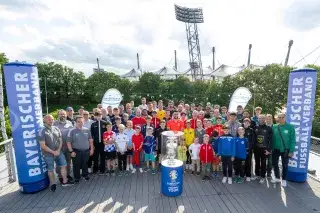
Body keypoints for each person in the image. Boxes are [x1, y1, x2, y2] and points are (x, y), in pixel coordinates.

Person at [39, 115, 74, 192]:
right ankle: (53, 184)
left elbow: (60, 140)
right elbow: (43, 145)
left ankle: (65, 181)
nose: (50, 121)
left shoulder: (56, 128)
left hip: (58, 152)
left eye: (51, 119)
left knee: (64, 165)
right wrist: (53, 152)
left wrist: (58, 150)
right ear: (44, 120)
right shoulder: (42, 131)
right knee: (50, 169)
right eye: (48, 119)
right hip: (48, 154)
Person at [271, 113, 296, 187]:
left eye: (282, 117)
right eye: (279, 117)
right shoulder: (274, 126)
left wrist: (291, 151)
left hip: (285, 149)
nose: (281, 118)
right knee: (274, 163)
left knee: (285, 165)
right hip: (275, 149)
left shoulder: (290, 127)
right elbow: (272, 138)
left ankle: (284, 179)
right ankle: (277, 177)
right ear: (277, 118)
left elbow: (293, 140)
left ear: (285, 118)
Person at [67, 116, 94, 183]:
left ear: (83, 122)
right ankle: (77, 177)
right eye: (78, 122)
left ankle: (85, 175)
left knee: (85, 163)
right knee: (76, 165)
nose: (80, 123)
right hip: (76, 151)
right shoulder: (72, 131)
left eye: (81, 121)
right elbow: (68, 142)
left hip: (86, 151)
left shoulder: (87, 130)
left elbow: (90, 140)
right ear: (75, 122)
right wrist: (71, 151)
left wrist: (92, 149)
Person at [53, 110, 74, 184]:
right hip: (58, 147)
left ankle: (67, 174)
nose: (62, 115)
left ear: (66, 115)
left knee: (68, 161)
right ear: (58, 115)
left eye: (64, 114)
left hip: (68, 146)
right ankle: (60, 176)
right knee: (60, 162)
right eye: (61, 114)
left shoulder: (69, 123)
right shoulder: (54, 124)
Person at [254, 114, 273, 184]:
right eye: (259, 118)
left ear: (264, 119)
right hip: (256, 149)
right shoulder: (255, 127)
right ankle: (257, 175)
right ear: (258, 119)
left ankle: (262, 176)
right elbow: (254, 139)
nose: (261, 120)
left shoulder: (269, 128)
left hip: (265, 150)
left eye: (262, 118)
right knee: (257, 163)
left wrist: (269, 150)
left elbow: (271, 140)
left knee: (264, 163)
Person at [90, 111, 108, 175]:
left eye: (100, 115)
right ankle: (95, 169)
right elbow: (91, 135)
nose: (99, 117)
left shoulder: (105, 123)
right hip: (96, 143)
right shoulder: (93, 124)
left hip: (103, 143)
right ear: (95, 116)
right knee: (96, 157)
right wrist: (92, 144)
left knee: (103, 156)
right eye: (97, 116)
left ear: (101, 116)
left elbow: (108, 133)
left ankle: (102, 170)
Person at [266, 114, 274, 178]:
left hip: (271, 146)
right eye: (267, 119)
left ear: (272, 119)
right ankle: (262, 171)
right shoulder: (263, 126)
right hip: (264, 146)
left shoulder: (275, 126)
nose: (268, 120)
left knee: (270, 160)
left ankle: (269, 172)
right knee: (263, 160)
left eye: (270, 119)